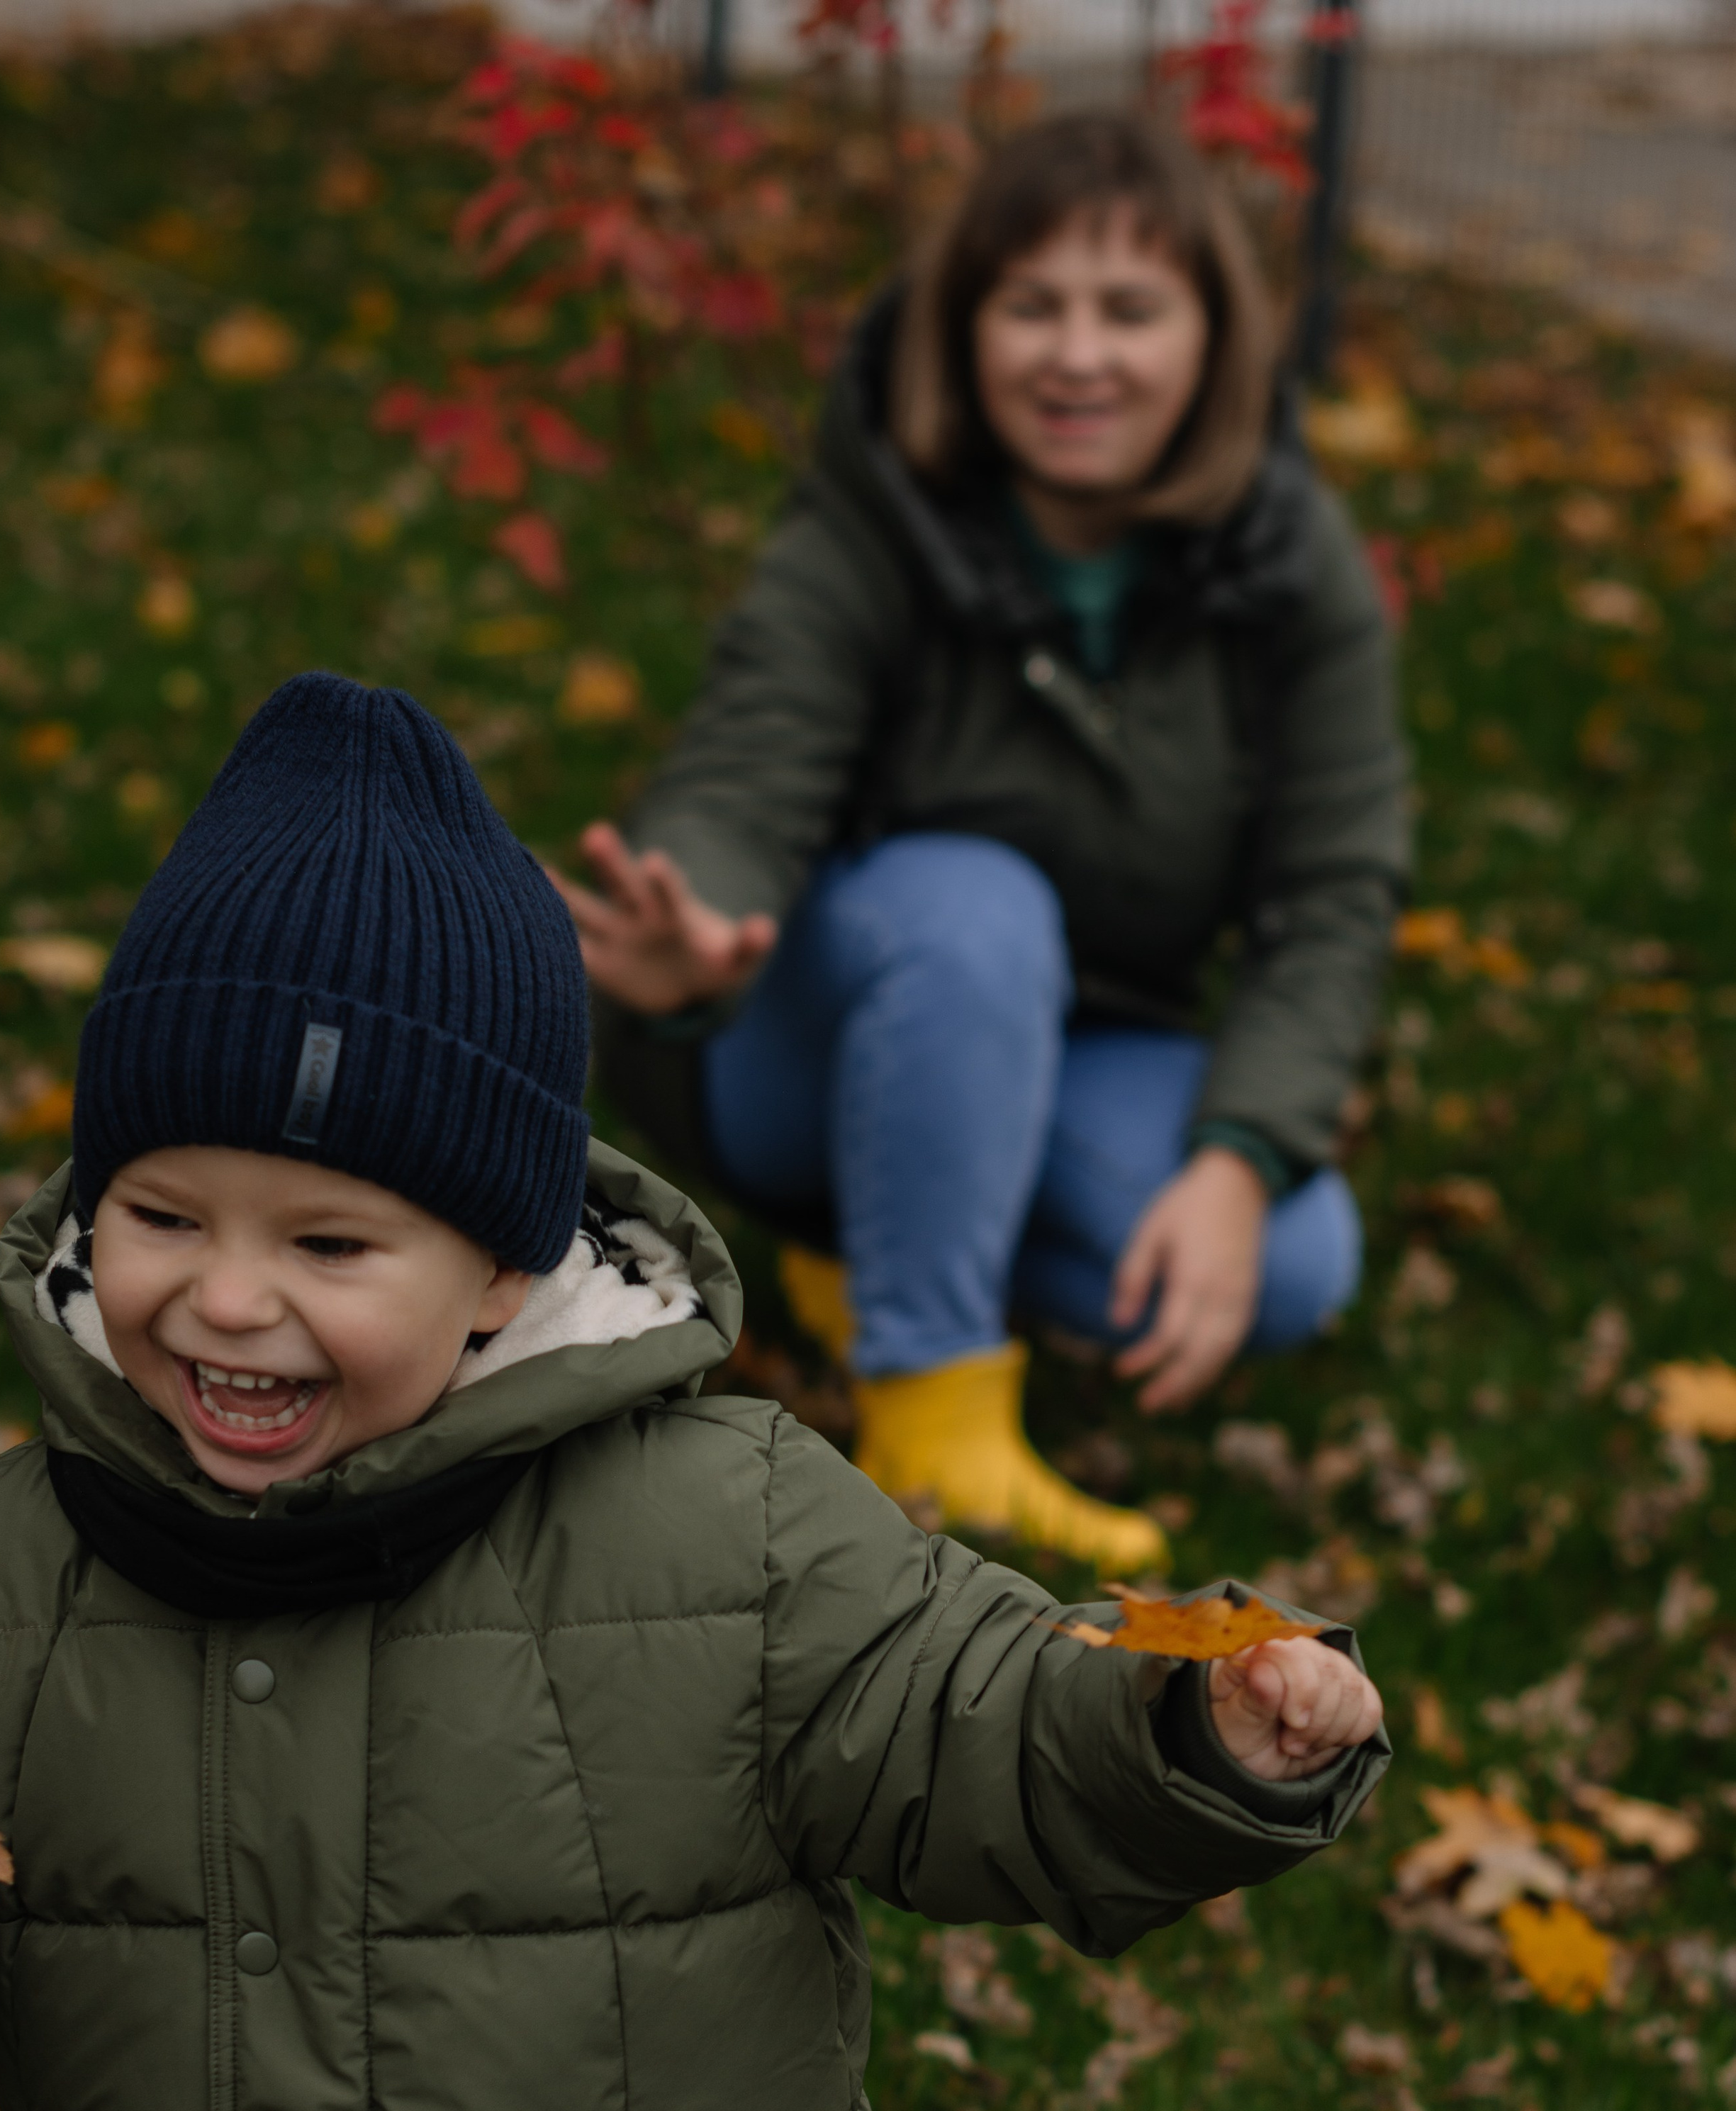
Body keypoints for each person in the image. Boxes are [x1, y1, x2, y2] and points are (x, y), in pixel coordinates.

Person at [0, 676, 1387, 2111]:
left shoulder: (732, 1535)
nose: (227, 1298)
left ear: (505, 1271)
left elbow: (962, 1714)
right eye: (161, 1216)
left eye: (330, 1241)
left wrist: (1184, 1736)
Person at [566, 113, 1410, 1576]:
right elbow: (747, 762)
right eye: (1032, 306)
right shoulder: (872, 526)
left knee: (1291, 1258)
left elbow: (1332, 892)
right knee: (971, 904)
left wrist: (1234, 1160)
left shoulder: (1286, 561)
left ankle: (873, 1252)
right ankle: (931, 1406)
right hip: (808, 1039)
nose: (1075, 356)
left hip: (1082, 1039)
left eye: (1127, 310)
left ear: (1210, 339)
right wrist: (695, 923)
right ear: (964, 329)